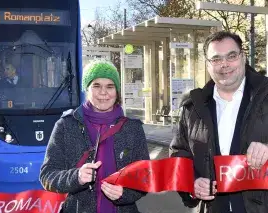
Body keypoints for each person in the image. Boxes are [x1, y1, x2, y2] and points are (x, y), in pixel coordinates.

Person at [169, 31, 268, 213]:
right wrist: (191, 183)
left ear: (243, 57)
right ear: (207, 65)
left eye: (231, 56)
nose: (224, 64)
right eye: (216, 59)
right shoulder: (192, 108)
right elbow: (178, 155)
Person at [39, 59, 149, 213]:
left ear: (116, 91)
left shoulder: (133, 128)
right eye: (96, 86)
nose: (103, 92)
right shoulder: (65, 125)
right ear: (87, 89)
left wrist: (126, 193)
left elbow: (145, 177)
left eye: (110, 86)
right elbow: (47, 175)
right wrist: (75, 177)